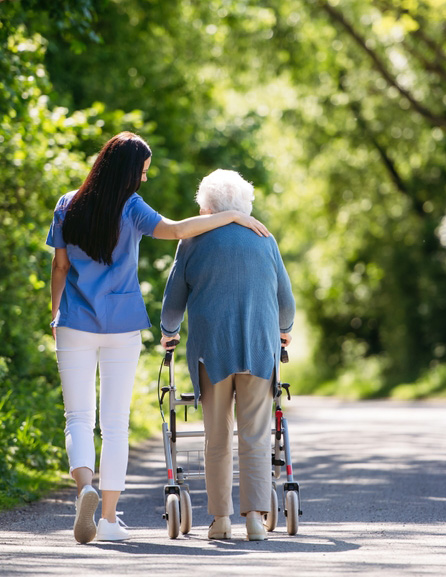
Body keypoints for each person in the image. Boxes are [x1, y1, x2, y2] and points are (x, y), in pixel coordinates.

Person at [46, 132, 269, 544]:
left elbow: (59, 267)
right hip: (122, 325)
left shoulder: (67, 204)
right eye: (143, 172)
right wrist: (233, 216)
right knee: (114, 423)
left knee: (77, 417)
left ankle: (85, 489)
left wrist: (55, 311)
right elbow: (178, 229)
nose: (144, 180)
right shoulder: (130, 207)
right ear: (128, 172)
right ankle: (108, 519)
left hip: (74, 322)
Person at [159, 169, 295, 541]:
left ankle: (220, 521)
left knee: (217, 436)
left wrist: (168, 334)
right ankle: (255, 518)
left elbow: (173, 302)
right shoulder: (265, 239)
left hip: (211, 352)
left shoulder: (192, 242)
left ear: (208, 206)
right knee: (254, 433)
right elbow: (286, 300)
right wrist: (284, 331)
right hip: (258, 346)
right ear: (243, 206)